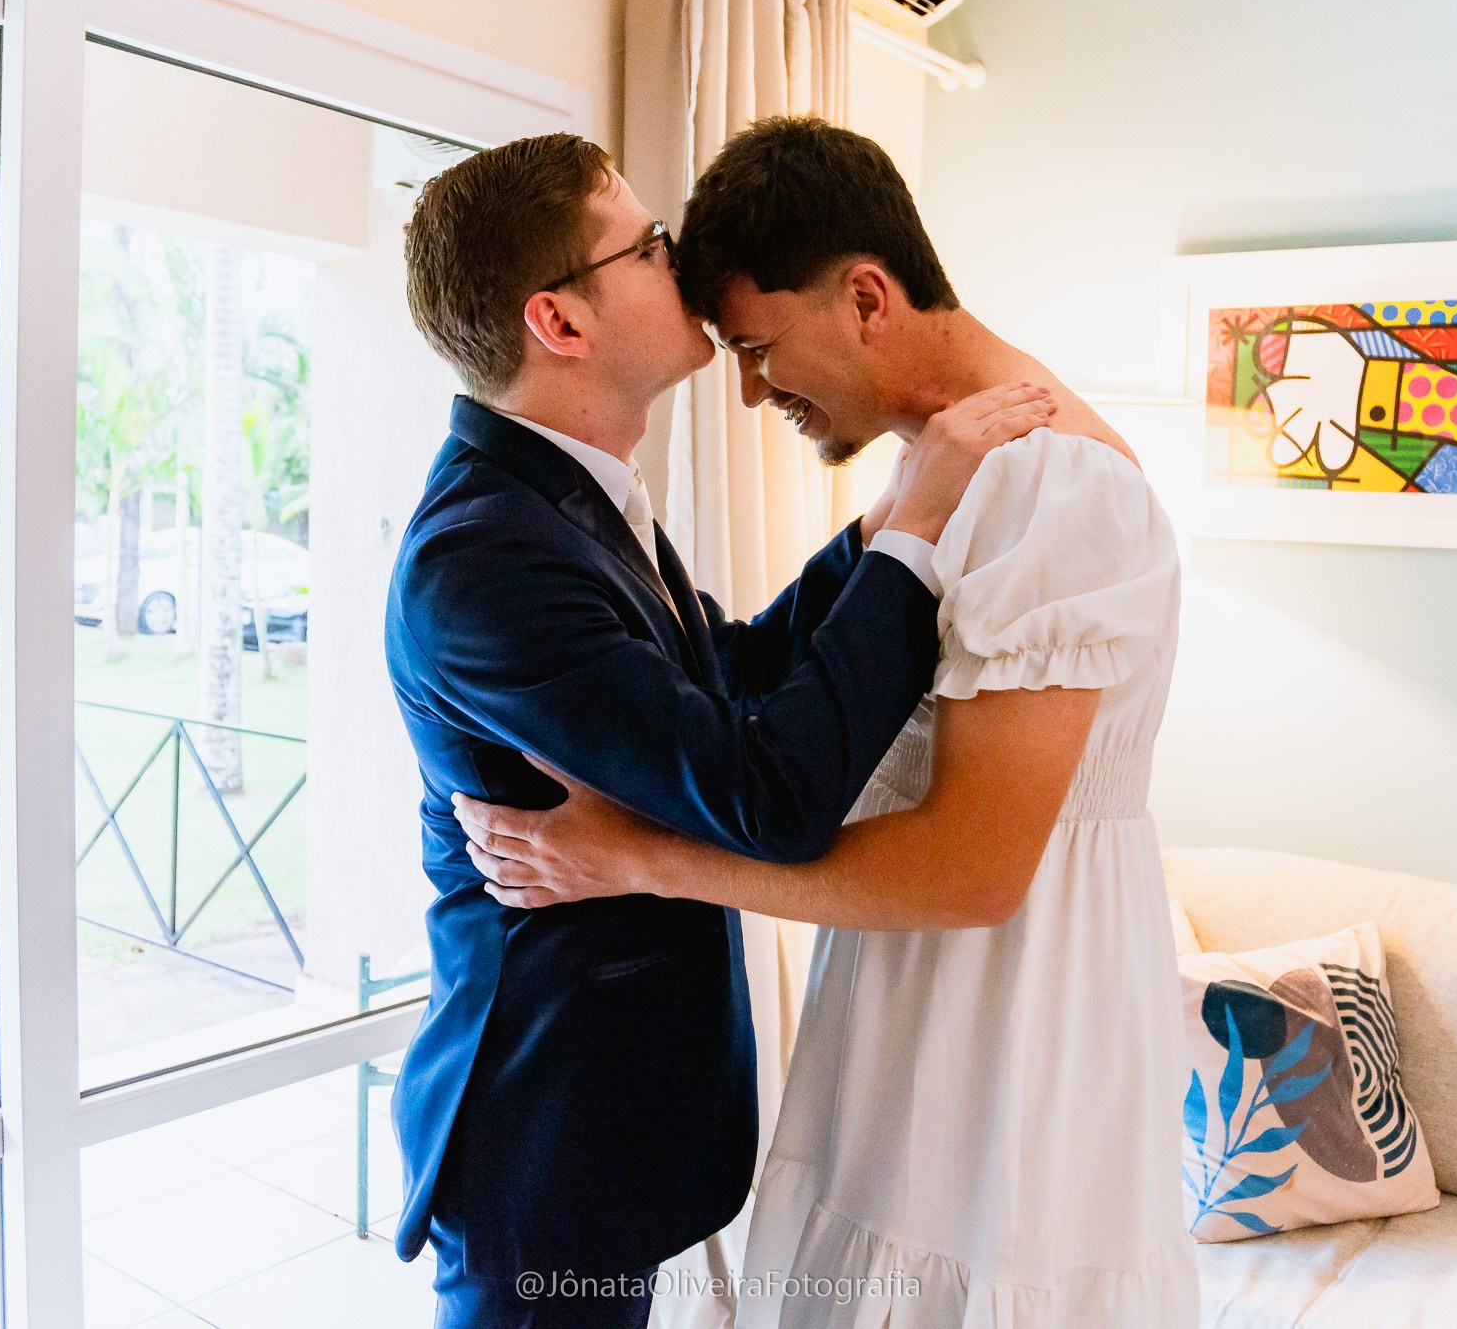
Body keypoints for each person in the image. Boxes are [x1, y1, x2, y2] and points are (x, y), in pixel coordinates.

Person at [457, 116, 1201, 1327]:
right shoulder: (944, 480)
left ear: (864, 296)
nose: (751, 390)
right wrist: (887, 528)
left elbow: (968, 872)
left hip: (1010, 1012)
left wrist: (637, 858)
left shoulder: (1056, 488)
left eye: (759, 348)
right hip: (915, 1000)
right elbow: (747, 683)